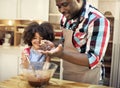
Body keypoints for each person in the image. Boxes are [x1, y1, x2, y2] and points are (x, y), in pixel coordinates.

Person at [40, 0, 110, 84]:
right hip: (68, 76)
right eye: (58, 6)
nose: (61, 10)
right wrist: (54, 46)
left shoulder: (97, 20)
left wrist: (61, 54)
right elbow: (63, 42)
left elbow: (93, 59)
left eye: (65, 4)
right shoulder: (65, 17)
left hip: (89, 79)